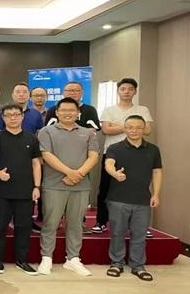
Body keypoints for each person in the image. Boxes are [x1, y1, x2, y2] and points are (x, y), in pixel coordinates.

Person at [37, 97, 99, 276]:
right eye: (63, 110)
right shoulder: (46, 131)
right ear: (57, 112)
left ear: (78, 112)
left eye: (72, 110)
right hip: (54, 184)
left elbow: (93, 156)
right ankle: (46, 258)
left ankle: (73, 259)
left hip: (80, 185)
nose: (68, 113)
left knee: (76, 223)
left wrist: (78, 174)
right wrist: (69, 173)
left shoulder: (88, 132)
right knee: (51, 222)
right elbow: (46, 155)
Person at [0, 104, 42, 276]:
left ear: (22, 116)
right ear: (3, 118)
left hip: (25, 191)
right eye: (8, 115)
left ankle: (21, 260)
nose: (13, 118)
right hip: (1, 191)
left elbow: (36, 164)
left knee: (23, 227)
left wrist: (37, 186)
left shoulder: (31, 139)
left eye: (16, 114)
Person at [104, 115, 162, 281]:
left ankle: (138, 265)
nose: (134, 130)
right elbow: (109, 164)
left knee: (140, 234)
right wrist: (115, 173)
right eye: (130, 127)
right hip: (118, 199)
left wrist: (156, 194)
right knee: (117, 233)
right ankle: (116, 263)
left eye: (138, 127)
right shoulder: (115, 148)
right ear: (125, 128)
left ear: (144, 129)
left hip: (143, 200)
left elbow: (157, 172)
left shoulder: (153, 149)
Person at [93, 78, 153, 234]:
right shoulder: (109, 109)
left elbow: (147, 130)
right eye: (123, 89)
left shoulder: (142, 109)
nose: (126, 92)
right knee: (105, 188)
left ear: (135, 91)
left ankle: (139, 225)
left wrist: (118, 126)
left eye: (130, 89)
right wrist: (133, 126)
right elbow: (106, 130)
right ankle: (101, 221)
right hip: (112, 153)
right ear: (118, 91)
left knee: (138, 188)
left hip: (138, 153)